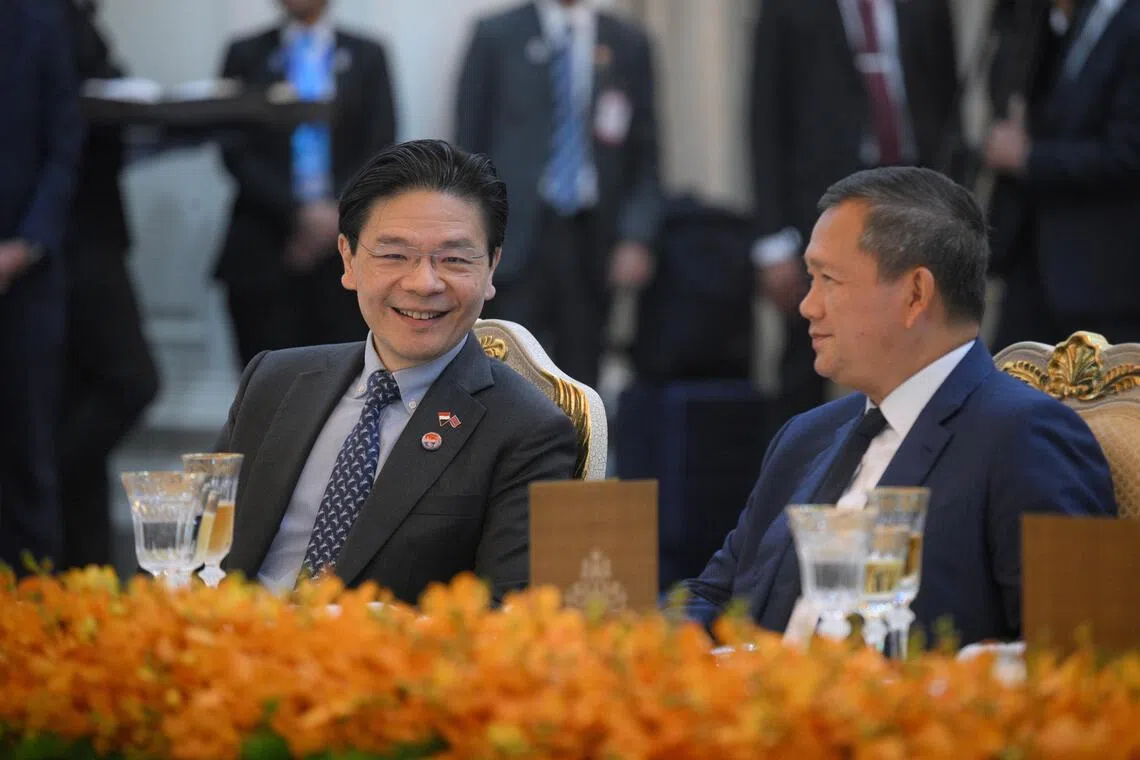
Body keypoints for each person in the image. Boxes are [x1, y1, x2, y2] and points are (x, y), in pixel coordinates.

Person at [679, 166, 1116, 647]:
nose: (808, 305)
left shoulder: (1025, 438)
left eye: (828, 279)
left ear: (915, 294)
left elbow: (1071, 654)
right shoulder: (805, 436)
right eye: (810, 278)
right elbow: (714, 595)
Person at [218, 139, 578, 602]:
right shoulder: (273, 381)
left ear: (492, 268)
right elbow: (193, 547)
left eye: (454, 259)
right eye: (394, 255)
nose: (423, 283)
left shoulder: (527, 431)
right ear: (348, 260)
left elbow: (508, 626)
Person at [748, 0, 960, 435]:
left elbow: (948, 103)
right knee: (806, 361)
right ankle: (792, 492)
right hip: (819, 210)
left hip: (912, 203)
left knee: (918, 351)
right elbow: (765, 119)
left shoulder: (929, 8)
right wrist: (771, 239)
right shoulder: (786, 10)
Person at [455, 0, 662, 387]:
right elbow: (469, 149)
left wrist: (637, 236)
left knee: (581, 376)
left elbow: (646, 155)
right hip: (514, 238)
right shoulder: (496, 35)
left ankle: (581, 450)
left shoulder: (627, 42)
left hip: (592, 239)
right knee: (506, 372)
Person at [215, 0, 397, 366]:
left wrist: (334, 213)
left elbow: (380, 147)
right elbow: (234, 149)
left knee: (340, 386)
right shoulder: (246, 54)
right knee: (264, 386)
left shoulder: (367, 54)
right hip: (264, 242)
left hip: (344, 251)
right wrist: (298, 213)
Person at [57, 0, 159, 570]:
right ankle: (36, 476)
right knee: (129, 380)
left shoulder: (77, 19)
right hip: (70, 237)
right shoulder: (45, 19)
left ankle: (82, 567)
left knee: (79, 390)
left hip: (87, 228)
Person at [985, 0, 1140, 348]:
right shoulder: (1074, 15)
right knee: (1009, 392)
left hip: (1104, 278)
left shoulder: (1132, 21)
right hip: (1036, 260)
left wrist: (1029, 157)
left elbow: (1129, 152)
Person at [0, 0, 84, 570]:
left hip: (24, 274)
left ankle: (36, 608)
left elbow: (63, 145)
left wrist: (24, 245)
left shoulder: (40, 21)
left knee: (28, 448)